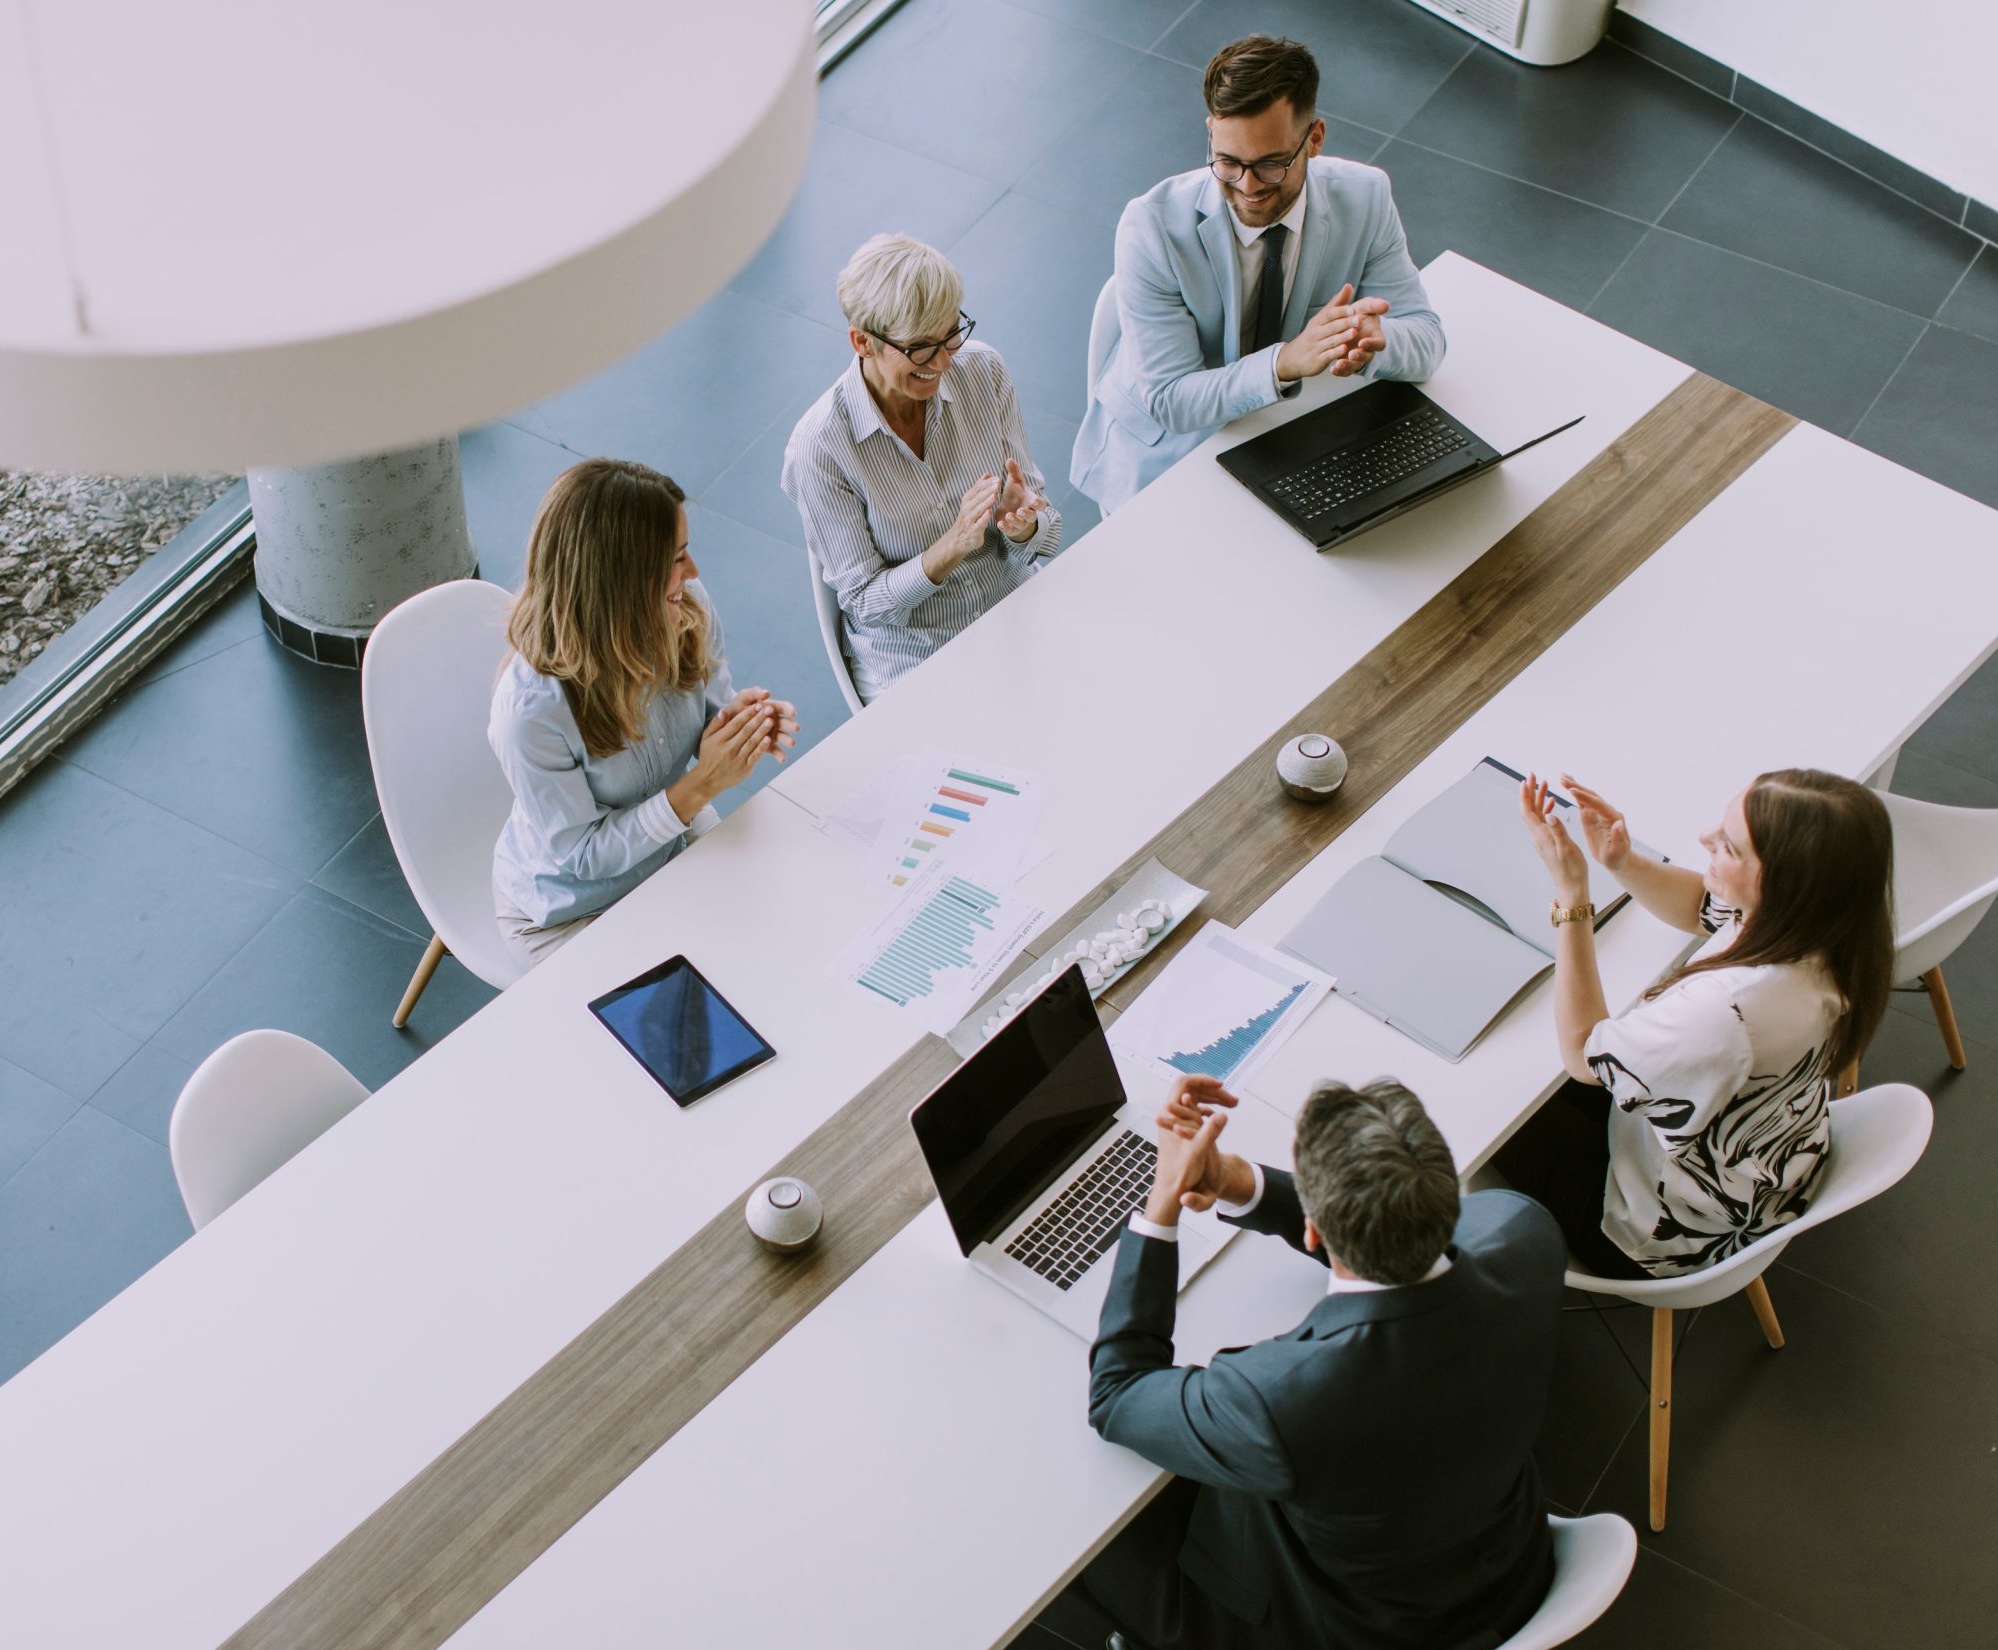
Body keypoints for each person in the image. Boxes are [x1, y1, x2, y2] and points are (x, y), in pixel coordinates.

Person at [1071, 1074, 1561, 1650]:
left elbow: (1116, 1392)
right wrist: (1239, 1182)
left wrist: (1161, 1203)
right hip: (1509, 1570)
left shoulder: (1279, 1399)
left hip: (1364, 1649)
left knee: (1092, 1539)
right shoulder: (1526, 1234)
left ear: (1312, 1231)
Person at [1497, 769, 1893, 1278]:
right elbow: (1702, 908)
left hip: (1663, 1230)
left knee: (1489, 1110)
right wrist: (1623, 862)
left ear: (1778, 880)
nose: (1704, 839)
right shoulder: (1830, 928)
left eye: (1727, 847)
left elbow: (1581, 1053)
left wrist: (1573, 900)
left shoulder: (1727, 1012)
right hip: (1761, 1166)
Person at [1072, 34, 1445, 514]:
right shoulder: (1151, 226)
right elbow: (1169, 399)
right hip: (1169, 453)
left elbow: (1428, 342)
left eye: (1271, 165)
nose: (1247, 188)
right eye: (1228, 162)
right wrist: (1285, 362)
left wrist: (1376, 339)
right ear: (1211, 133)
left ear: (1314, 139)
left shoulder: (1365, 197)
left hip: (1292, 435)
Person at [488, 459, 797, 966]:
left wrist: (735, 725)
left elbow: (705, 714)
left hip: (668, 849)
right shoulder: (530, 711)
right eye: (677, 559)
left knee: (776, 939)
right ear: (622, 581)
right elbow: (584, 856)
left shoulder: (687, 607)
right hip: (572, 910)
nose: (693, 573)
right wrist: (701, 785)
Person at [783, 233, 1061, 704]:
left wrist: (1023, 526)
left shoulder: (983, 372)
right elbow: (865, 604)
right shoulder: (820, 449)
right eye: (921, 348)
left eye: (952, 333)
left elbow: (1046, 536)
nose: (945, 360)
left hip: (1015, 612)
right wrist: (949, 548)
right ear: (862, 342)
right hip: (917, 660)